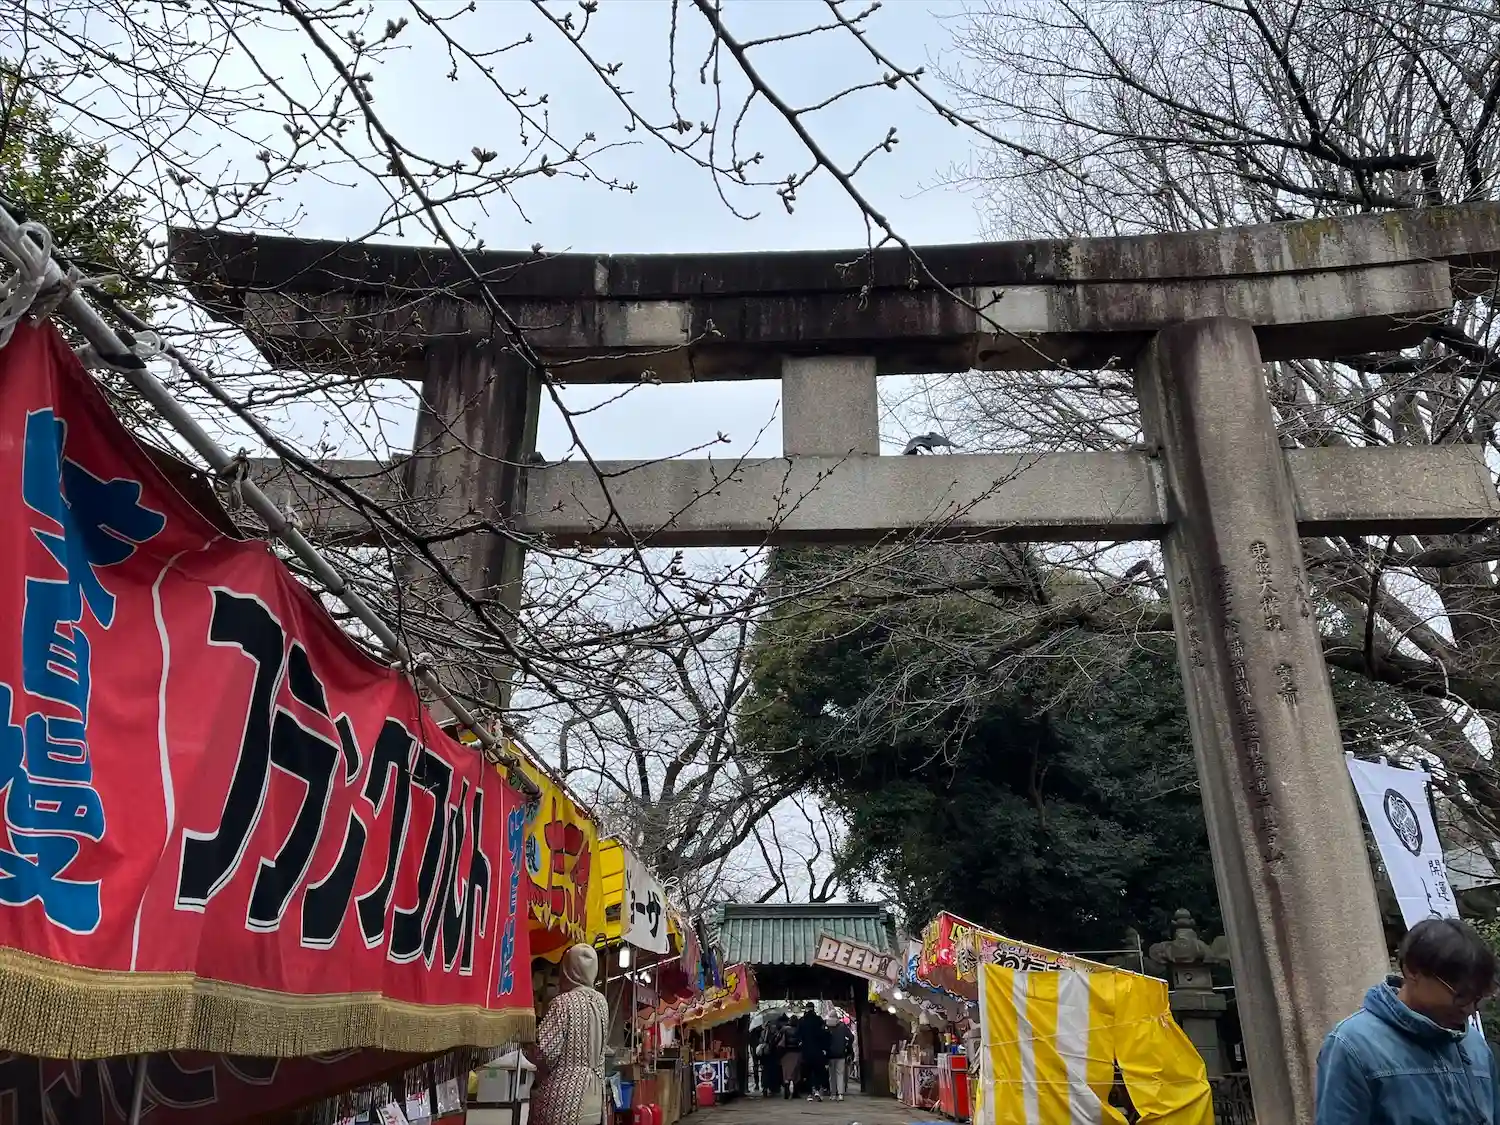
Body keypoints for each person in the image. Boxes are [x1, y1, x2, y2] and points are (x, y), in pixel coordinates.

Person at [1317, 917, 1500, 1125]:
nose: (1469, 1009)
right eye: (1460, 995)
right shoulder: (1353, 1045)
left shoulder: (1474, 1045)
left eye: (1478, 998)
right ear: (1413, 970)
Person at [530, 944, 608, 1125]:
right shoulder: (601, 1002)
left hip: (566, 1102)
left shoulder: (563, 1003)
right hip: (595, 1096)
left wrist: (529, 1048)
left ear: (567, 970)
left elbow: (544, 1052)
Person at [798, 1002, 829, 1102]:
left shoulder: (802, 1021)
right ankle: (817, 1090)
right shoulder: (819, 1020)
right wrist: (824, 1048)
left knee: (807, 1072)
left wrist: (801, 1043)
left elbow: (798, 1035)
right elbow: (824, 1034)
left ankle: (809, 1093)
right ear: (813, 1008)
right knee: (818, 1071)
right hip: (818, 1050)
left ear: (806, 1009)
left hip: (806, 1050)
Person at [828, 1018, 854, 1101]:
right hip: (841, 1054)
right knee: (840, 1074)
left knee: (832, 1075)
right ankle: (840, 1094)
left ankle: (833, 1094)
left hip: (830, 1054)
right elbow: (851, 1037)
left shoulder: (827, 1026)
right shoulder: (843, 1026)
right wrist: (847, 1046)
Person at [777, 1012, 802, 1100]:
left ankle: (786, 1090)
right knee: (796, 1073)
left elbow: (778, 1040)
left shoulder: (784, 1029)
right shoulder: (799, 1030)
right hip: (797, 1053)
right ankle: (795, 1092)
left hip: (786, 1053)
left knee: (786, 1073)